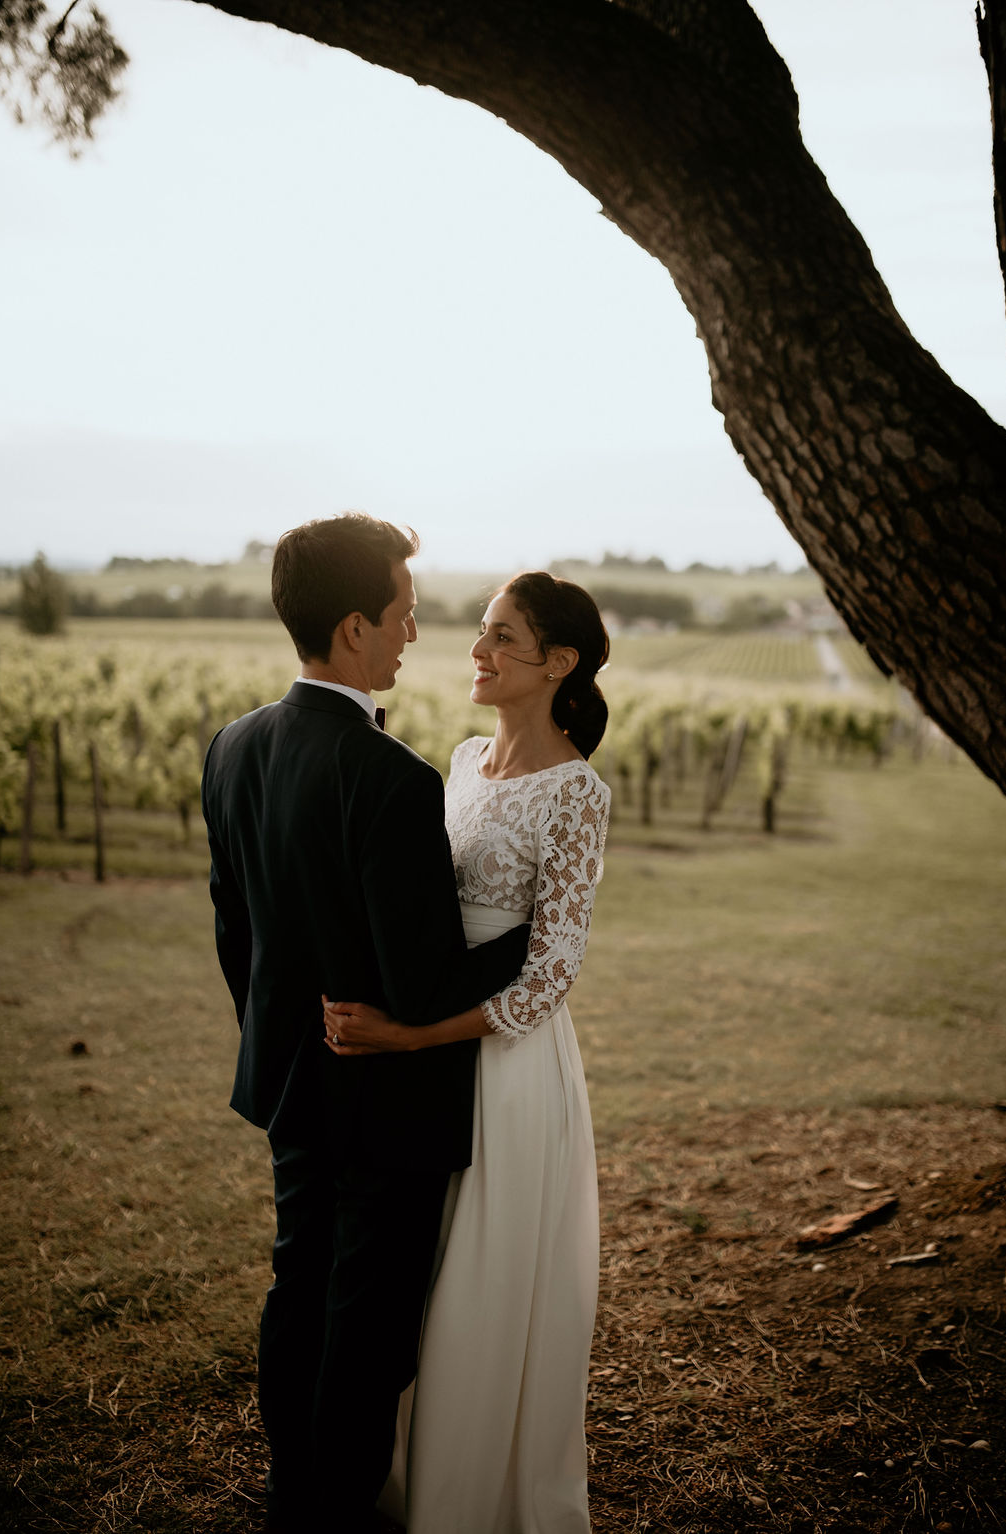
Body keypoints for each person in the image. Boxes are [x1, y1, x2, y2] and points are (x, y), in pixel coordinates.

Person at [200, 514, 530, 1534]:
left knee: (299, 1282)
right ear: (352, 630)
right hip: (384, 1098)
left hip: (290, 1079)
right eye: (403, 614)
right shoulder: (390, 779)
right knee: (368, 1316)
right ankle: (335, 1509)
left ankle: (292, 1491)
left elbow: (235, 931)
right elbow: (425, 982)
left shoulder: (234, 745)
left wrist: (284, 1032)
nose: (414, 635)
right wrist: (531, 932)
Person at [324, 570, 612, 1534]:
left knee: (485, 1280)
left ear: (558, 663)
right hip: (428, 1056)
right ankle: (412, 1476)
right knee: (425, 1271)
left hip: (510, 1064)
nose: (477, 652)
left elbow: (550, 974)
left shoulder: (577, 792)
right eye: (480, 632)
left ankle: (481, 1497)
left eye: (502, 638)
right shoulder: (454, 762)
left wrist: (410, 1034)